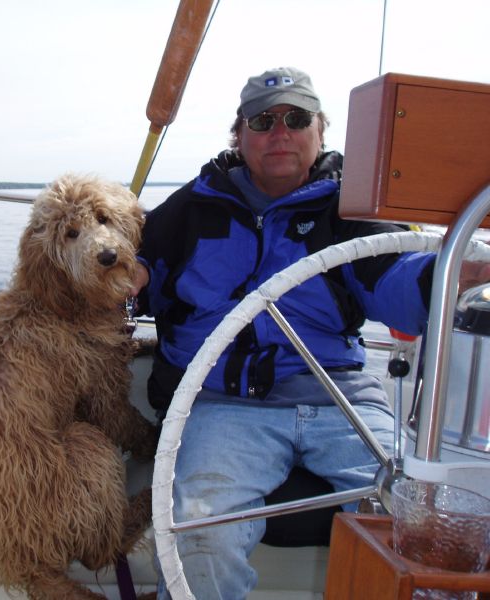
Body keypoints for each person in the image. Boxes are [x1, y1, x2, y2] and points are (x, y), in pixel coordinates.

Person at [130, 67, 490, 599]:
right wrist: (112, 279)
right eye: (263, 120)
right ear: (240, 134)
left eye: (296, 118)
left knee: (421, 532)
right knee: (197, 536)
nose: (280, 131)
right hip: (223, 402)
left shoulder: (350, 208)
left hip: (340, 399)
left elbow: (392, 279)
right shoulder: (189, 209)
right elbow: (127, 274)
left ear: (321, 131)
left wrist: (447, 276)